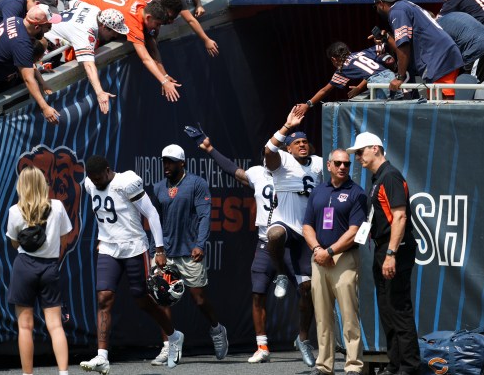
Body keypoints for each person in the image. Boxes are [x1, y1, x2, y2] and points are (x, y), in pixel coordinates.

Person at [183, 125, 314, 364]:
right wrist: (210, 149)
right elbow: (233, 170)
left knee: (307, 291)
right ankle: (262, 346)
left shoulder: (295, 172)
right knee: (257, 293)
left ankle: (302, 336)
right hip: (267, 239)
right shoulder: (257, 173)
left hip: (295, 237)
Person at [80, 155, 184, 373]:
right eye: (93, 179)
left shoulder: (126, 182)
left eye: (100, 178)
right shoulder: (90, 182)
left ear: (108, 170)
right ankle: (102, 356)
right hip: (108, 247)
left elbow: (151, 213)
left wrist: (160, 248)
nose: (96, 182)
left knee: (142, 299)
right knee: (104, 298)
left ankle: (174, 336)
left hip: (134, 247)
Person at [346, 132, 420, 375]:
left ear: (375, 148)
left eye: (360, 151)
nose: (357, 157)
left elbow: (400, 216)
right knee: (387, 310)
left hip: (394, 248)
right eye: (356, 153)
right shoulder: (378, 178)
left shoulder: (390, 176)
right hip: (382, 248)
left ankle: (408, 368)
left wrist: (391, 253)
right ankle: (395, 364)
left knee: (399, 309)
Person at [152, 144, 228, 366]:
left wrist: (200, 244)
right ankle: (168, 345)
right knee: (162, 298)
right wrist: (156, 249)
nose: (166, 165)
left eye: (171, 162)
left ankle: (217, 329)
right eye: (164, 161)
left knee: (199, 298)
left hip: (189, 251)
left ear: (182, 163)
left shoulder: (197, 183)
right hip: (165, 252)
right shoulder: (158, 188)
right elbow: (154, 221)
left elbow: (205, 216)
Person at [263, 107, 323, 367]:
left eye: (304, 142)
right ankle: (279, 273)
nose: (302, 145)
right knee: (274, 234)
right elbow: (268, 150)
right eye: (296, 143)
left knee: (307, 290)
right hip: (285, 221)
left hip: (308, 229)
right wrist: (286, 127)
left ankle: (303, 338)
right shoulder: (281, 162)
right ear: (288, 148)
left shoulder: (320, 163)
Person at [302, 149, 367, 375]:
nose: (342, 167)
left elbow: (354, 231)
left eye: (347, 164)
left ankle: (354, 366)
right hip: (319, 258)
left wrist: (329, 251)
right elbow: (307, 225)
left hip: (344, 258)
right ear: (328, 165)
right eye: (338, 163)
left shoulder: (356, 193)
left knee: (349, 315)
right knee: (322, 315)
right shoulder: (318, 191)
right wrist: (318, 249)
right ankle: (324, 365)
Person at [6, 166, 71, 375]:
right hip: (50, 267)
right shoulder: (58, 206)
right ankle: (63, 372)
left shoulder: (15, 211)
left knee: (25, 326)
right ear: (43, 184)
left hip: (24, 266)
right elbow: (65, 238)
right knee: (55, 325)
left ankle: (27, 374)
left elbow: (14, 243)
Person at [80, 0, 181, 102]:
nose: (157, 28)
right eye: (157, 24)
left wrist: (165, 76)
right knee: (86, 47)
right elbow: (146, 58)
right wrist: (163, 82)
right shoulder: (134, 24)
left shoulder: (141, 3)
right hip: (85, 8)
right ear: (148, 18)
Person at [373, 0, 464, 99]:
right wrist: (386, 36)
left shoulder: (397, 10)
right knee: (438, 102)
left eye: (376, 6)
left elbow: (403, 46)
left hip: (439, 58)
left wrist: (400, 77)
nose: (377, 10)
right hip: (443, 55)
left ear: (381, 3)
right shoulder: (406, 5)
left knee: (442, 104)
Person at [0, 4, 62, 124]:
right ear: (36, 26)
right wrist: (45, 107)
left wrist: (42, 81)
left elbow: (26, 64)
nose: (49, 29)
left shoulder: (15, 19)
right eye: (48, 26)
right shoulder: (22, 43)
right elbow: (28, 79)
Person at [44, 2, 130, 114]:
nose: (115, 36)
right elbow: (88, 65)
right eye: (114, 32)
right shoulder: (85, 34)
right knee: (47, 84)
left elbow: (71, 3)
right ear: (104, 27)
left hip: (57, 30)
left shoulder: (95, 8)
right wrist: (100, 93)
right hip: (46, 44)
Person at [143, 0, 219, 56]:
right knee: (154, 50)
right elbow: (190, 20)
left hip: (136, 4)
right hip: (143, 19)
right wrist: (206, 40)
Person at [306, 41, 400, 106]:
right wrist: (381, 39)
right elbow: (372, 72)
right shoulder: (363, 52)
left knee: (384, 113)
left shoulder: (342, 69)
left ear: (333, 59)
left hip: (379, 84)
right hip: (392, 77)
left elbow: (325, 90)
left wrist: (308, 104)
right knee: (400, 106)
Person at [435, 11, 484, 82]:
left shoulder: (437, 27)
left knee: (472, 85)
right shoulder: (454, 14)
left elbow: (447, 53)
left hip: (477, 50)